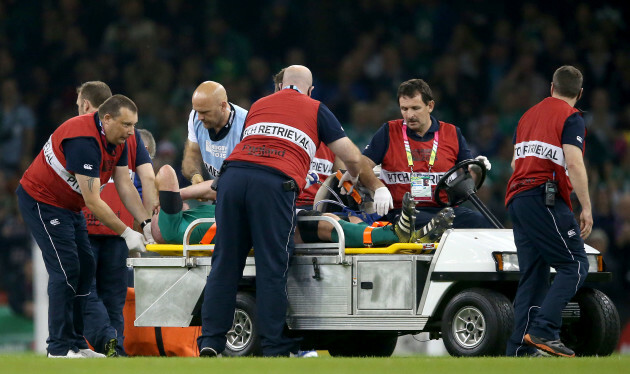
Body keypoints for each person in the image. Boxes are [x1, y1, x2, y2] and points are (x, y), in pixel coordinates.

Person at [196, 65, 364, 357]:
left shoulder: (260, 105)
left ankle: (211, 341)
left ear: (280, 87)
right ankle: (274, 345)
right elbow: (351, 155)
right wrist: (351, 175)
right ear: (310, 90)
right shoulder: (316, 108)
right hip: (273, 183)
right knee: (272, 267)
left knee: (224, 265)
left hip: (232, 178)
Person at [16, 94, 153, 358]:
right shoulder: (84, 141)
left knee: (85, 268)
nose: (131, 131)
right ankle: (57, 348)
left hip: (69, 204)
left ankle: (76, 343)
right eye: (126, 124)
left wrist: (145, 222)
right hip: (42, 201)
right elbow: (93, 200)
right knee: (67, 271)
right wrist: (126, 233)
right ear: (107, 119)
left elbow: (124, 185)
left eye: (134, 125)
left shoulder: (118, 139)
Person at [505, 66, 591, 358]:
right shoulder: (571, 117)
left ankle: (518, 349)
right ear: (579, 94)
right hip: (545, 197)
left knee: (533, 274)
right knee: (575, 264)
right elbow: (575, 163)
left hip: (517, 198)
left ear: (551, 86)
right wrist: (587, 207)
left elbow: (517, 164)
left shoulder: (527, 116)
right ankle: (544, 330)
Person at [150, 165, 451, 248]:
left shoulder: (188, 217)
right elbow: (164, 172)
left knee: (332, 218)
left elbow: (218, 190)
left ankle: (403, 233)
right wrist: (153, 204)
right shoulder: (170, 226)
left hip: (259, 219)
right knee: (324, 224)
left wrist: (190, 194)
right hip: (258, 228)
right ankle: (394, 235)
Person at [76, 82, 158, 357]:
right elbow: (147, 178)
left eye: (79, 105)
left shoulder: (77, 134)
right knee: (114, 296)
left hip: (85, 221)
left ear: (87, 105)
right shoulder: (132, 137)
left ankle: (105, 339)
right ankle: (117, 351)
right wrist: (147, 225)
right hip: (121, 227)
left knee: (85, 290)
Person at [357, 78, 493, 229]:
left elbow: (469, 183)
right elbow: (361, 165)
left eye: (415, 108)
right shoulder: (388, 131)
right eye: (404, 109)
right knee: (434, 224)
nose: (409, 115)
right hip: (403, 212)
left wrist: (477, 170)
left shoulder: (452, 133)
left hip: (445, 211)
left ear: (430, 106)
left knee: (482, 222)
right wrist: (378, 187)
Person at [181, 81, 247, 188]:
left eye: (205, 112)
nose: (200, 117)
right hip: (217, 193)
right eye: (197, 111)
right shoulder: (195, 117)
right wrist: (195, 175)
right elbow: (191, 155)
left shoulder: (246, 125)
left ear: (223, 106)